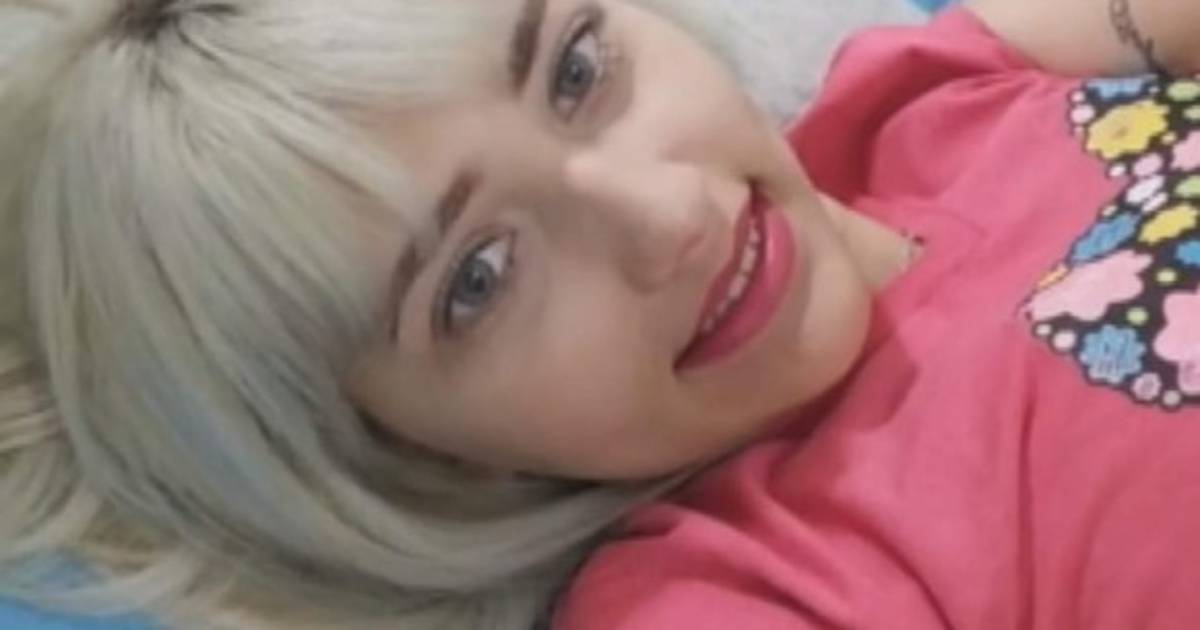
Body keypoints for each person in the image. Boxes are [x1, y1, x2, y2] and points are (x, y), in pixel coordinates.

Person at [0, 2, 1194, 630]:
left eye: (576, 69)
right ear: (410, 453)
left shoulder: (909, 97)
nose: (667, 216)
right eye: (477, 279)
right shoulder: (738, 589)